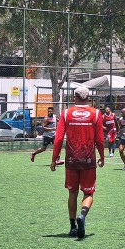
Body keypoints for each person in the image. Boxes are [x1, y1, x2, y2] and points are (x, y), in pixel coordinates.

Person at [50, 86, 105, 239]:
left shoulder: (66, 113)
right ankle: (83, 215)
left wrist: (54, 158)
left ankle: (73, 226)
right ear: (88, 98)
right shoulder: (96, 114)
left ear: (74, 97)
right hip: (88, 160)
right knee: (88, 192)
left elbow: (58, 139)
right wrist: (102, 156)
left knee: (72, 192)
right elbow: (100, 139)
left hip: (71, 160)